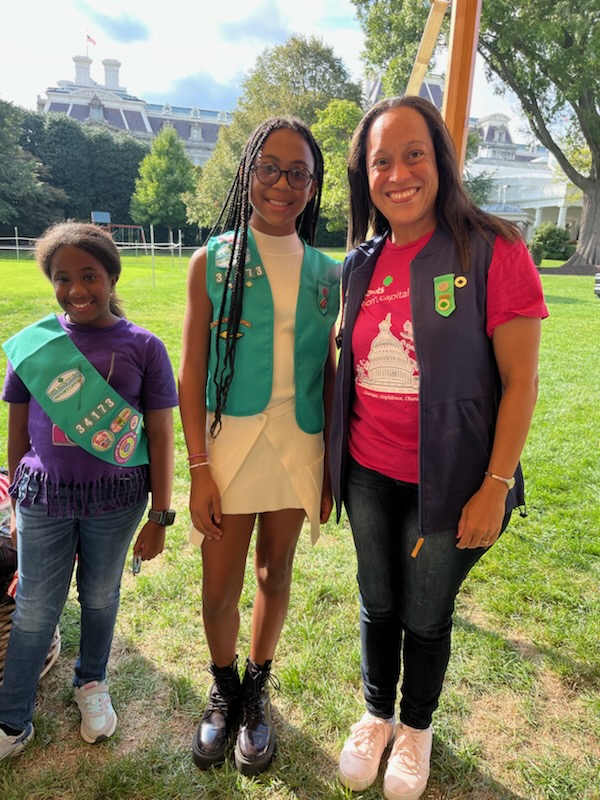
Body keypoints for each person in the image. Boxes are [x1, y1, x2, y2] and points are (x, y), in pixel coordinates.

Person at [330, 96, 548, 800]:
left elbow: (521, 382)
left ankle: (416, 729)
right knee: (378, 601)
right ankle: (376, 715)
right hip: (368, 471)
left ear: (441, 159)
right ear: (366, 177)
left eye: (413, 153)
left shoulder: (494, 247)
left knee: (426, 613)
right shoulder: (358, 264)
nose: (398, 173)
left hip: (451, 480)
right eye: (380, 160)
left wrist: (494, 483)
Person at [178, 116, 340, 775]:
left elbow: (329, 372)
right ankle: (223, 688)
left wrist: (331, 467)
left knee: (276, 572)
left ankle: (256, 691)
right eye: (269, 167)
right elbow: (190, 373)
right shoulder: (210, 260)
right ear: (248, 173)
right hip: (228, 447)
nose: (282, 182)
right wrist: (197, 470)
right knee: (220, 587)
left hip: (299, 444)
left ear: (313, 186)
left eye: (298, 172)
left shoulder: (330, 272)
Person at [0, 222, 178, 761]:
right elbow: (17, 426)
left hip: (118, 498)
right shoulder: (36, 346)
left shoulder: (145, 346)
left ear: (110, 276)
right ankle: (11, 720)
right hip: (44, 497)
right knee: (34, 607)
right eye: (62, 278)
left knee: (100, 597)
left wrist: (162, 514)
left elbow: (162, 434)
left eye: (89, 276)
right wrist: (13, 498)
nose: (77, 289)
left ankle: (91, 683)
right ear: (50, 281)